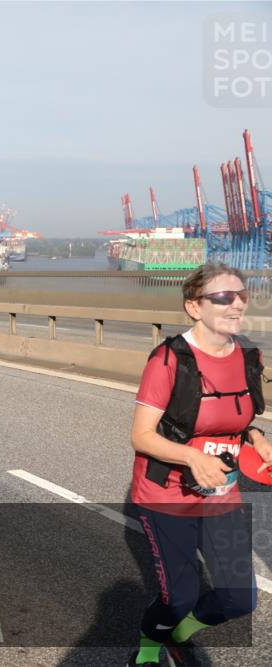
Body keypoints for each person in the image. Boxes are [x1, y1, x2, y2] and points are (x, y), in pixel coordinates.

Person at [126, 262, 271, 667]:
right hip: (166, 494)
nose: (237, 304)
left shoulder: (247, 355)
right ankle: (149, 647)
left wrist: (257, 439)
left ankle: (179, 635)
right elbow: (141, 435)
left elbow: (239, 420)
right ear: (194, 307)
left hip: (221, 493)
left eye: (242, 295)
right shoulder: (170, 360)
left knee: (238, 598)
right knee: (180, 595)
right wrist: (191, 456)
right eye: (224, 297)